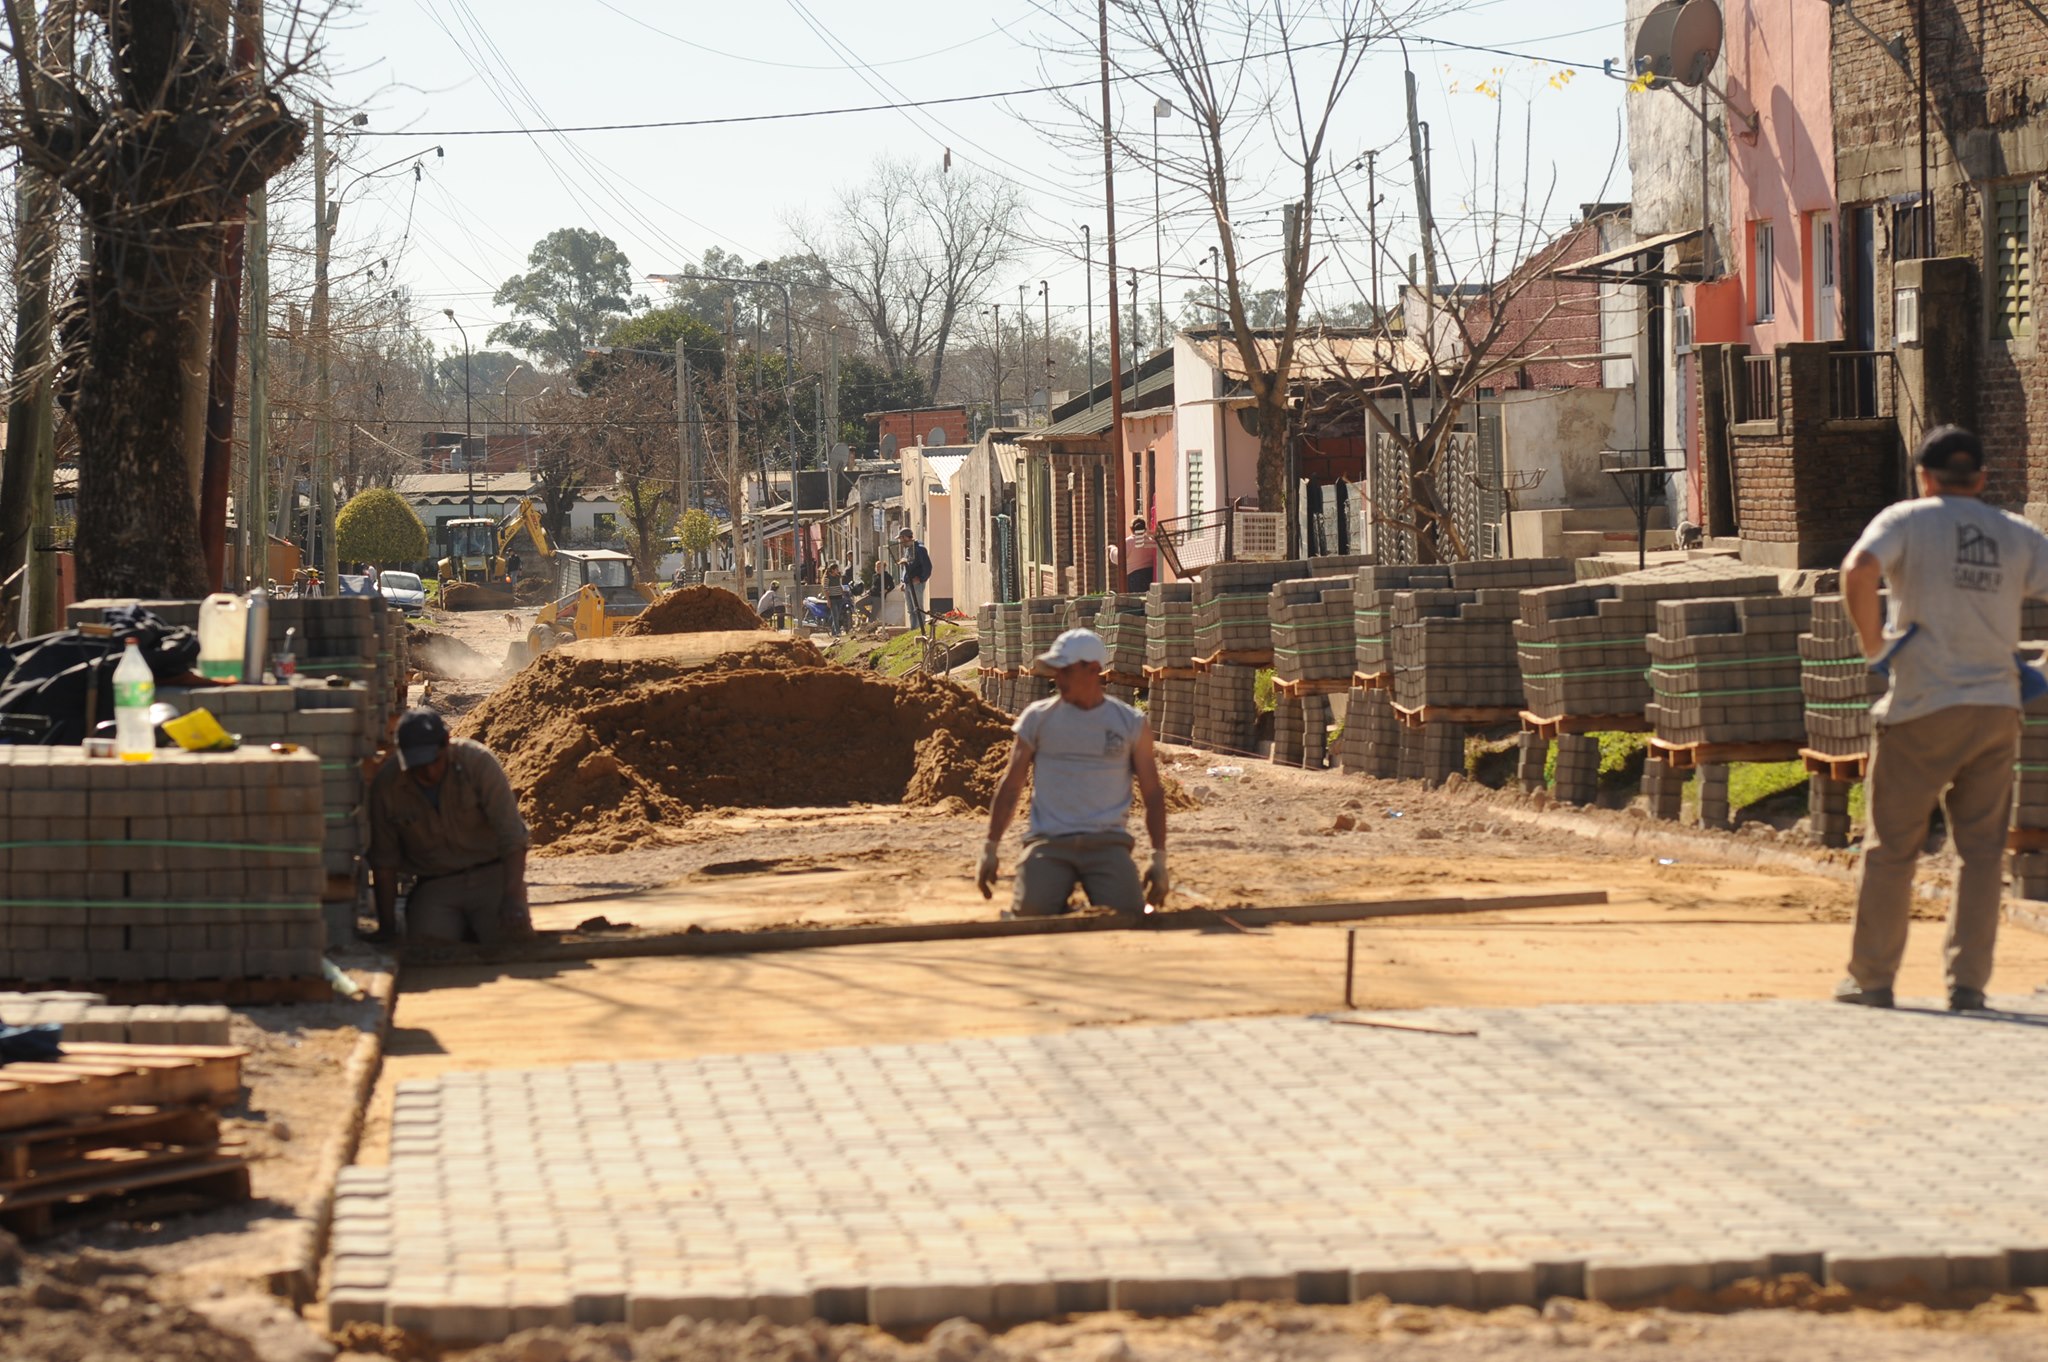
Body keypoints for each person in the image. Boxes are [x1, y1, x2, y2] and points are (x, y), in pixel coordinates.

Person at [1836, 425, 2048, 1012]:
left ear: (1924, 477)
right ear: (1980, 479)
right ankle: (1968, 985)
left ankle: (1872, 978)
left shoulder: (1907, 520)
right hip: (1996, 710)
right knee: (1981, 853)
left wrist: (1875, 647)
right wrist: (2041, 666)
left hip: (1922, 707)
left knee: (1892, 848)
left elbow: (1858, 571)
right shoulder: (2017, 534)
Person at [977, 628, 1169, 917]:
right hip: (1049, 842)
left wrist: (1158, 858)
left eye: (1065, 671)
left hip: (1107, 843)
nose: (1058, 679)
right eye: (1056, 671)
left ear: (1092, 670)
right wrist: (990, 847)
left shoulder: (1129, 723)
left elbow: (1153, 793)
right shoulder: (1037, 719)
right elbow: (1011, 785)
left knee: (1129, 916)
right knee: (1030, 915)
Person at [368, 709, 531, 945]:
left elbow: (513, 837)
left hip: (491, 877)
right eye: (417, 765)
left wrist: (513, 898)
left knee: (511, 941)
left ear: (446, 743)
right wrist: (387, 929)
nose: (427, 772)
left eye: (433, 761)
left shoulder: (477, 763)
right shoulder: (388, 784)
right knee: (426, 947)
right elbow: (384, 863)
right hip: (437, 883)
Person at [898, 527, 934, 634]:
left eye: (901, 538)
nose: (900, 541)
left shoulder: (920, 549)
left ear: (905, 537)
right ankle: (913, 629)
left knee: (917, 608)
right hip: (908, 584)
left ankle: (920, 629)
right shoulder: (908, 550)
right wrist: (903, 582)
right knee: (910, 609)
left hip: (916, 584)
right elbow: (906, 567)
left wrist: (921, 578)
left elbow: (927, 567)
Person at [1111, 516, 1157, 593]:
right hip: (1150, 575)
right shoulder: (1150, 541)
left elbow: (1118, 558)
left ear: (1131, 529)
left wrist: (1112, 549)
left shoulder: (1129, 542)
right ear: (1145, 529)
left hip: (1134, 577)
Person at [824, 559, 849, 636]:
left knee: (837, 615)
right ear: (832, 570)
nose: (838, 571)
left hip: (839, 598)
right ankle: (838, 632)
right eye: (836, 569)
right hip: (832, 599)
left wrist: (843, 594)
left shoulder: (838, 577)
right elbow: (826, 589)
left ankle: (834, 632)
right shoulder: (827, 578)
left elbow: (839, 586)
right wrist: (828, 600)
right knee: (835, 616)